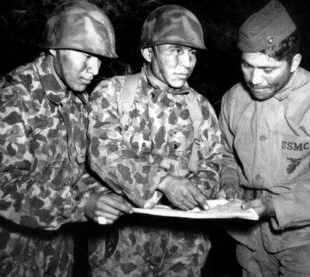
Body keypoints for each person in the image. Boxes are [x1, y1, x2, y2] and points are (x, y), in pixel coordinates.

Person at [0, 1, 132, 276]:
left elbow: (73, 172)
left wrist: (111, 193)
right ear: (53, 47)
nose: (94, 69)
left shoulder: (75, 101)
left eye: (99, 58)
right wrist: (82, 205)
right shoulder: (11, 97)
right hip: (5, 249)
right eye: (86, 55)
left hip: (57, 246)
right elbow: (2, 187)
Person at [218, 1, 310, 276]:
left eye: (268, 70)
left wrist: (273, 207)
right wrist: (228, 185)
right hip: (248, 237)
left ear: (294, 62)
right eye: (247, 66)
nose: (254, 80)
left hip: (308, 237)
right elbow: (225, 155)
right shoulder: (234, 99)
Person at [87, 4, 223, 277]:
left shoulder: (200, 107)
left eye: (192, 53)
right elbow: (104, 152)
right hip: (121, 245)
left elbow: (214, 163)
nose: (187, 63)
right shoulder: (112, 93)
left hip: (184, 247)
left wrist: (194, 194)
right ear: (148, 52)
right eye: (176, 51)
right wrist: (163, 182)